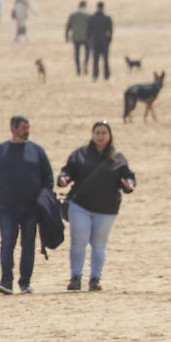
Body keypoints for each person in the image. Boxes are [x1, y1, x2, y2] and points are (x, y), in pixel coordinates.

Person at [58, 121, 136, 292]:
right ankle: (76, 277)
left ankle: (95, 279)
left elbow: (128, 178)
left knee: (99, 243)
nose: (101, 136)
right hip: (80, 206)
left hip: (107, 209)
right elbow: (67, 171)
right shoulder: (80, 154)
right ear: (92, 135)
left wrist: (129, 185)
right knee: (79, 241)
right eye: (98, 133)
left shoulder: (118, 158)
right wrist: (63, 179)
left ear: (110, 136)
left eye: (104, 133)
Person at [0, 115, 53, 295]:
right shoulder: (0, 151)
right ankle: (6, 281)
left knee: (28, 245)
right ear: (13, 129)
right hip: (7, 208)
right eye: (23, 128)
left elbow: (48, 178)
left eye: (28, 127)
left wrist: (45, 201)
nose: (27, 131)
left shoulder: (36, 151)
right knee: (7, 244)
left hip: (31, 208)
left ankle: (25, 283)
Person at [88, 1, 113, 82]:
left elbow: (88, 31)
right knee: (105, 60)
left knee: (95, 60)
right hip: (104, 41)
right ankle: (106, 75)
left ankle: (95, 75)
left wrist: (89, 41)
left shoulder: (92, 18)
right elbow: (110, 31)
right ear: (103, 7)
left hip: (95, 42)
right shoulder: (107, 18)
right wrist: (108, 40)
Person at [64, 0, 90, 76]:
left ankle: (78, 68)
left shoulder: (73, 14)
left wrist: (66, 36)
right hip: (86, 37)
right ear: (85, 5)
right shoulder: (89, 14)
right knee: (87, 52)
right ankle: (85, 64)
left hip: (76, 37)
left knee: (77, 53)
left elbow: (68, 26)